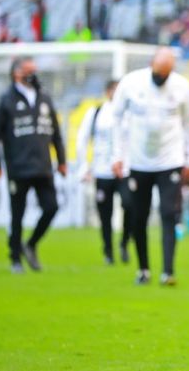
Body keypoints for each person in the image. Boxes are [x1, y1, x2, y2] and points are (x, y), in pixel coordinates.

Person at [111, 47, 189, 286]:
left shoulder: (182, 88)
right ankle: (143, 269)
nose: (162, 78)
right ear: (152, 65)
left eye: (166, 74)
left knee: (169, 214)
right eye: (159, 73)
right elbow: (116, 119)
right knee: (139, 215)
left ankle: (167, 271)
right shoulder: (131, 83)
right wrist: (117, 155)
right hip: (138, 162)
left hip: (170, 161)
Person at [0, 56, 66, 273]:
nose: (35, 75)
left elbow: (56, 133)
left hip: (43, 166)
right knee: (17, 215)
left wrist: (62, 161)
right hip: (18, 168)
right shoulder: (6, 100)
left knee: (51, 207)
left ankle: (30, 245)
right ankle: (15, 258)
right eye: (30, 71)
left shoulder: (45, 98)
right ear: (17, 73)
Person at [75, 79, 132, 265]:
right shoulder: (96, 113)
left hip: (124, 171)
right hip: (101, 171)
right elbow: (82, 139)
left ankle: (124, 243)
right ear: (107, 92)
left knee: (130, 207)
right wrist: (84, 165)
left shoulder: (129, 114)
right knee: (104, 214)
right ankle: (108, 250)